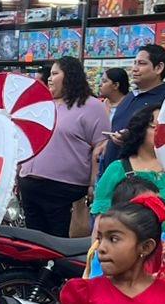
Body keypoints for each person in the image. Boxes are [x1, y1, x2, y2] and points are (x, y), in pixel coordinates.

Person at [17, 57, 110, 237]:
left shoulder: (92, 106)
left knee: (59, 242)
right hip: (29, 184)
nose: (49, 78)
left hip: (65, 191)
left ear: (69, 76)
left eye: (54, 74)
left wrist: (93, 185)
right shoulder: (42, 104)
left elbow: (100, 148)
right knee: (33, 241)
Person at [97, 44, 165, 171]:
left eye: (141, 64)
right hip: (111, 171)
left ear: (159, 68)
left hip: (139, 176)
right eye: (134, 63)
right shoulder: (130, 96)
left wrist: (130, 137)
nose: (134, 69)